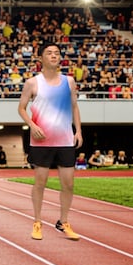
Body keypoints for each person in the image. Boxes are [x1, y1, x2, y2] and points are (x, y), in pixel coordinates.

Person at [18, 42, 82, 241]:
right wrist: (32, 125)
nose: (54, 55)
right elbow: (21, 108)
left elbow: (74, 107)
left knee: (68, 184)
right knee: (40, 183)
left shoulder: (69, 82)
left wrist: (78, 130)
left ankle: (63, 222)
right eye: (49, 53)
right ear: (40, 58)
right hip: (42, 140)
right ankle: (37, 222)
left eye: (57, 53)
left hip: (64, 139)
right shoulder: (32, 83)